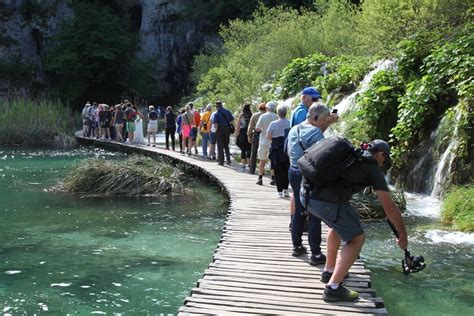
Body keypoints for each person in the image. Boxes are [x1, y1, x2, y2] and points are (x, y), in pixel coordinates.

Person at [301, 140, 408, 302]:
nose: (383, 162)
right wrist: (403, 234)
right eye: (385, 159)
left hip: (306, 195)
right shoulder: (371, 167)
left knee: (336, 225)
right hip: (324, 202)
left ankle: (329, 271)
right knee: (357, 238)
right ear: (380, 154)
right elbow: (390, 207)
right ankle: (333, 288)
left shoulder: (352, 155)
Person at [287, 103, 338, 266]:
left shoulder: (295, 128)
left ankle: (297, 246)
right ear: (315, 118)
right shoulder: (316, 132)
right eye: (324, 120)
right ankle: (315, 254)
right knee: (314, 211)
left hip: (293, 170)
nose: (325, 123)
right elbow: (323, 157)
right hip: (308, 174)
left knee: (299, 209)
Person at [267, 104, 290, 197]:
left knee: (277, 169)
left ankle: (279, 191)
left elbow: (268, 137)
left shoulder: (273, 124)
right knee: (286, 168)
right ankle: (286, 189)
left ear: (278, 113)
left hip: (276, 148)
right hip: (286, 147)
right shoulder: (290, 122)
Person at [255, 101, 278, 185]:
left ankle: (260, 178)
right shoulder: (277, 116)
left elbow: (257, 128)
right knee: (272, 160)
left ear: (267, 108)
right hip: (273, 141)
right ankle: (272, 178)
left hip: (263, 140)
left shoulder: (263, 116)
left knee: (262, 160)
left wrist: (262, 130)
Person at [247, 102, 266, 174]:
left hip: (256, 134)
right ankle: (262, 170)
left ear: (259, 108)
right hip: (265, 134)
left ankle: (252, 169)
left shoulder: (254, 115)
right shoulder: (267, 115)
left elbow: (250, 127)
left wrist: (249, 136)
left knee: (254, 152)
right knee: (265, 152)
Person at [213, 101, 234, 166]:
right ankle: (228, 161)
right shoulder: (228, 111)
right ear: (222, 106)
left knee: (220, 146)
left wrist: (216, 131)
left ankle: (221, 162)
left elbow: (215, 124)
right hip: (227, 129)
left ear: (217, 107)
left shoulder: (216, 114)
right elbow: (232, 119)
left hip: (220, 129)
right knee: (226, 145)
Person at [234, 103, 252, 170]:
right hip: (249, 133)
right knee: (249, 148)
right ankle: (249, 164)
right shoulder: (251, 115)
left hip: (242, 133)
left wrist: (236, 133)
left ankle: (243, 165)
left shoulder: (241, 115)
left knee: (243, 149)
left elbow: (238, 125)